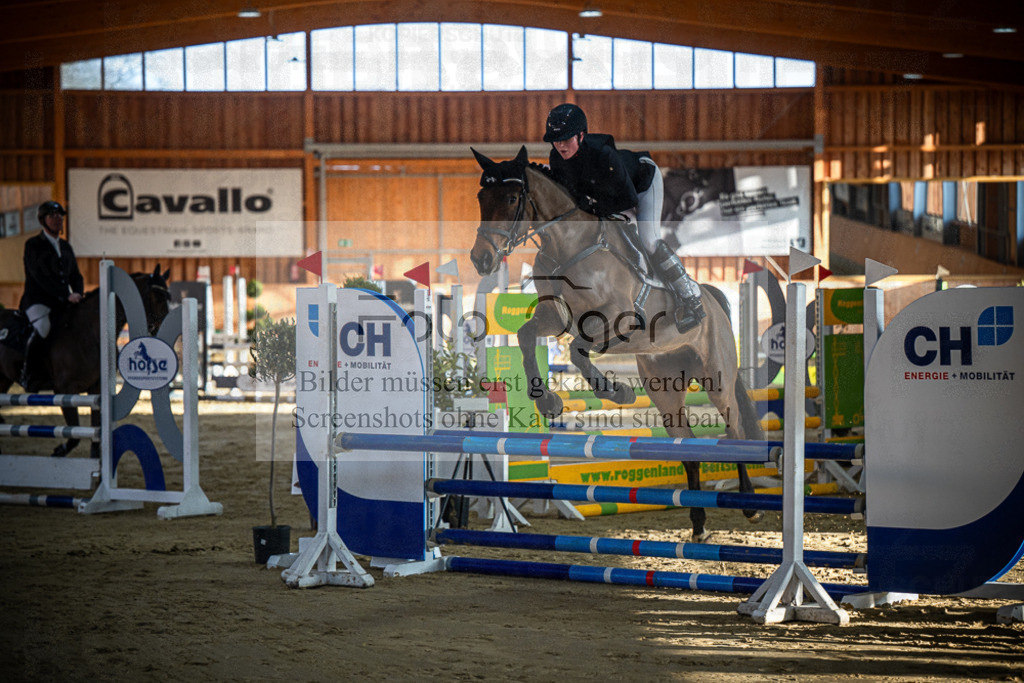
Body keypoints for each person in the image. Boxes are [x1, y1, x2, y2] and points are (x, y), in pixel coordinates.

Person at [543, 103, 705, 333]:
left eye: (566, 138)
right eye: (555, 139)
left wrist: (595, 208)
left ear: (581, 135)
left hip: (641, 185)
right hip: (607, 198)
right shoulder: (557, 158)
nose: (560, 145)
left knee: (648, 239)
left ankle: (690, 296)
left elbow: (628, 199)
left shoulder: (603, 154)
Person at [19, 200, 84, 391]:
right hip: (38, 300)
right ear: (42, 220)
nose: (57, 220)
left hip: (62, 301)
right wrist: (66, 295)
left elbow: (75, 275)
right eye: (52, 216)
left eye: (59, 216)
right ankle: (28, 373)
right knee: (44, 327)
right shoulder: (33, 245)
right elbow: (40, 277)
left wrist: (78, 292)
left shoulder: (65, 247)